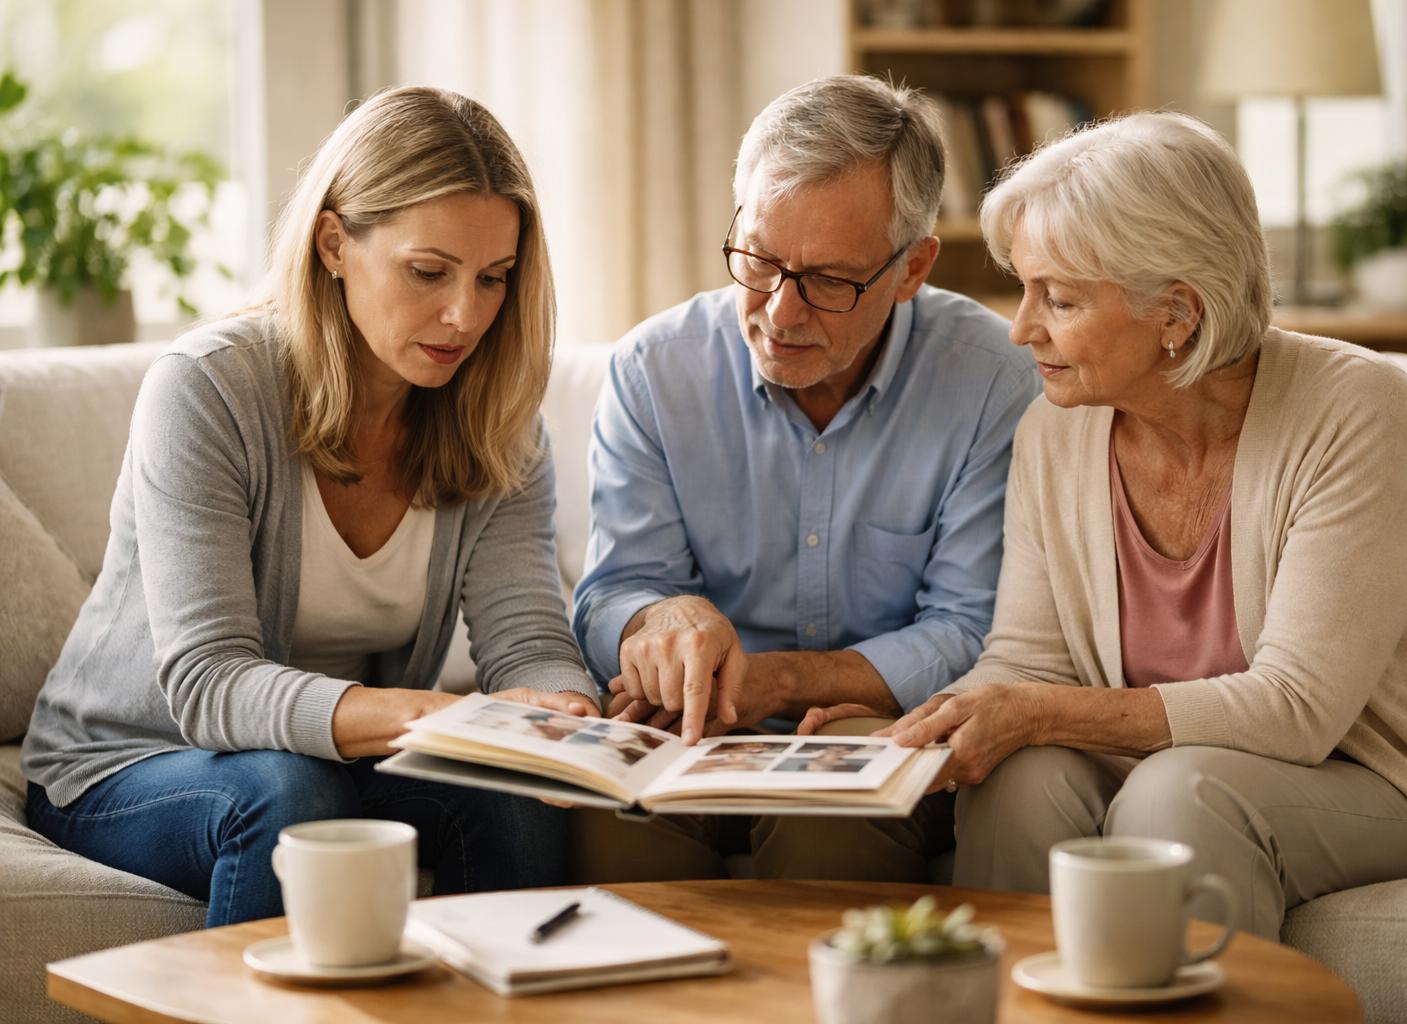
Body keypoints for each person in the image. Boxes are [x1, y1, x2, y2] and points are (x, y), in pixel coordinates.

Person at [851, 111, 1407, 940]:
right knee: (1018, 776)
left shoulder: (1355, 408)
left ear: (1176, 312)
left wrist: (1035, 712)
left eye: (1059, 299)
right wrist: (907, 736)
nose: (1022, 327)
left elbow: (1299, 707)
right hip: (1170, 763)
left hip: (1392, 776)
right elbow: (1030, 662)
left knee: (1184, 791)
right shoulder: (1055, 429)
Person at [21, 87, 601, 926]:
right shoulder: (209, 389)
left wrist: (563, 714)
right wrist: (436, 716)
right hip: (134, 761)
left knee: (511, 798)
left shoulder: (497, 422)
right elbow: (208, 683)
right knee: (290, 793)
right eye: (428, 272)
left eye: (495, 279)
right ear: (335, 242)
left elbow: (529, 642)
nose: (464, 315)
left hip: (336, 760)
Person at [569, 75, 1040, 882]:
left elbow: (973, 629)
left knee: (829, 820)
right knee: (615, 831)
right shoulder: (655, 369)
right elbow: (614, 589)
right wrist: (663, 620)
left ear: (911, 267)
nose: (781, 313)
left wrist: (777, 681)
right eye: (758, 259)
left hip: (873, 723)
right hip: (690, 726)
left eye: (828, 280)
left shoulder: (994, 380)